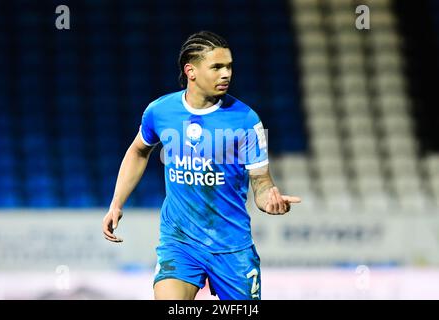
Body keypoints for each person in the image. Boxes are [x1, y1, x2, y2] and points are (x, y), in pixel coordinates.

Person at [102, 30, 301, 300]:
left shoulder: (246, 119)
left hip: (231, 248)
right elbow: (138, 150)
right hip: (180, 242)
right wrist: (116, 203)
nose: (226, 74)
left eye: (229, 66)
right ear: (190, 71)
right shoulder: (159, 111)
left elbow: (262, 182)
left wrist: (270, 201)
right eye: (217, 67)